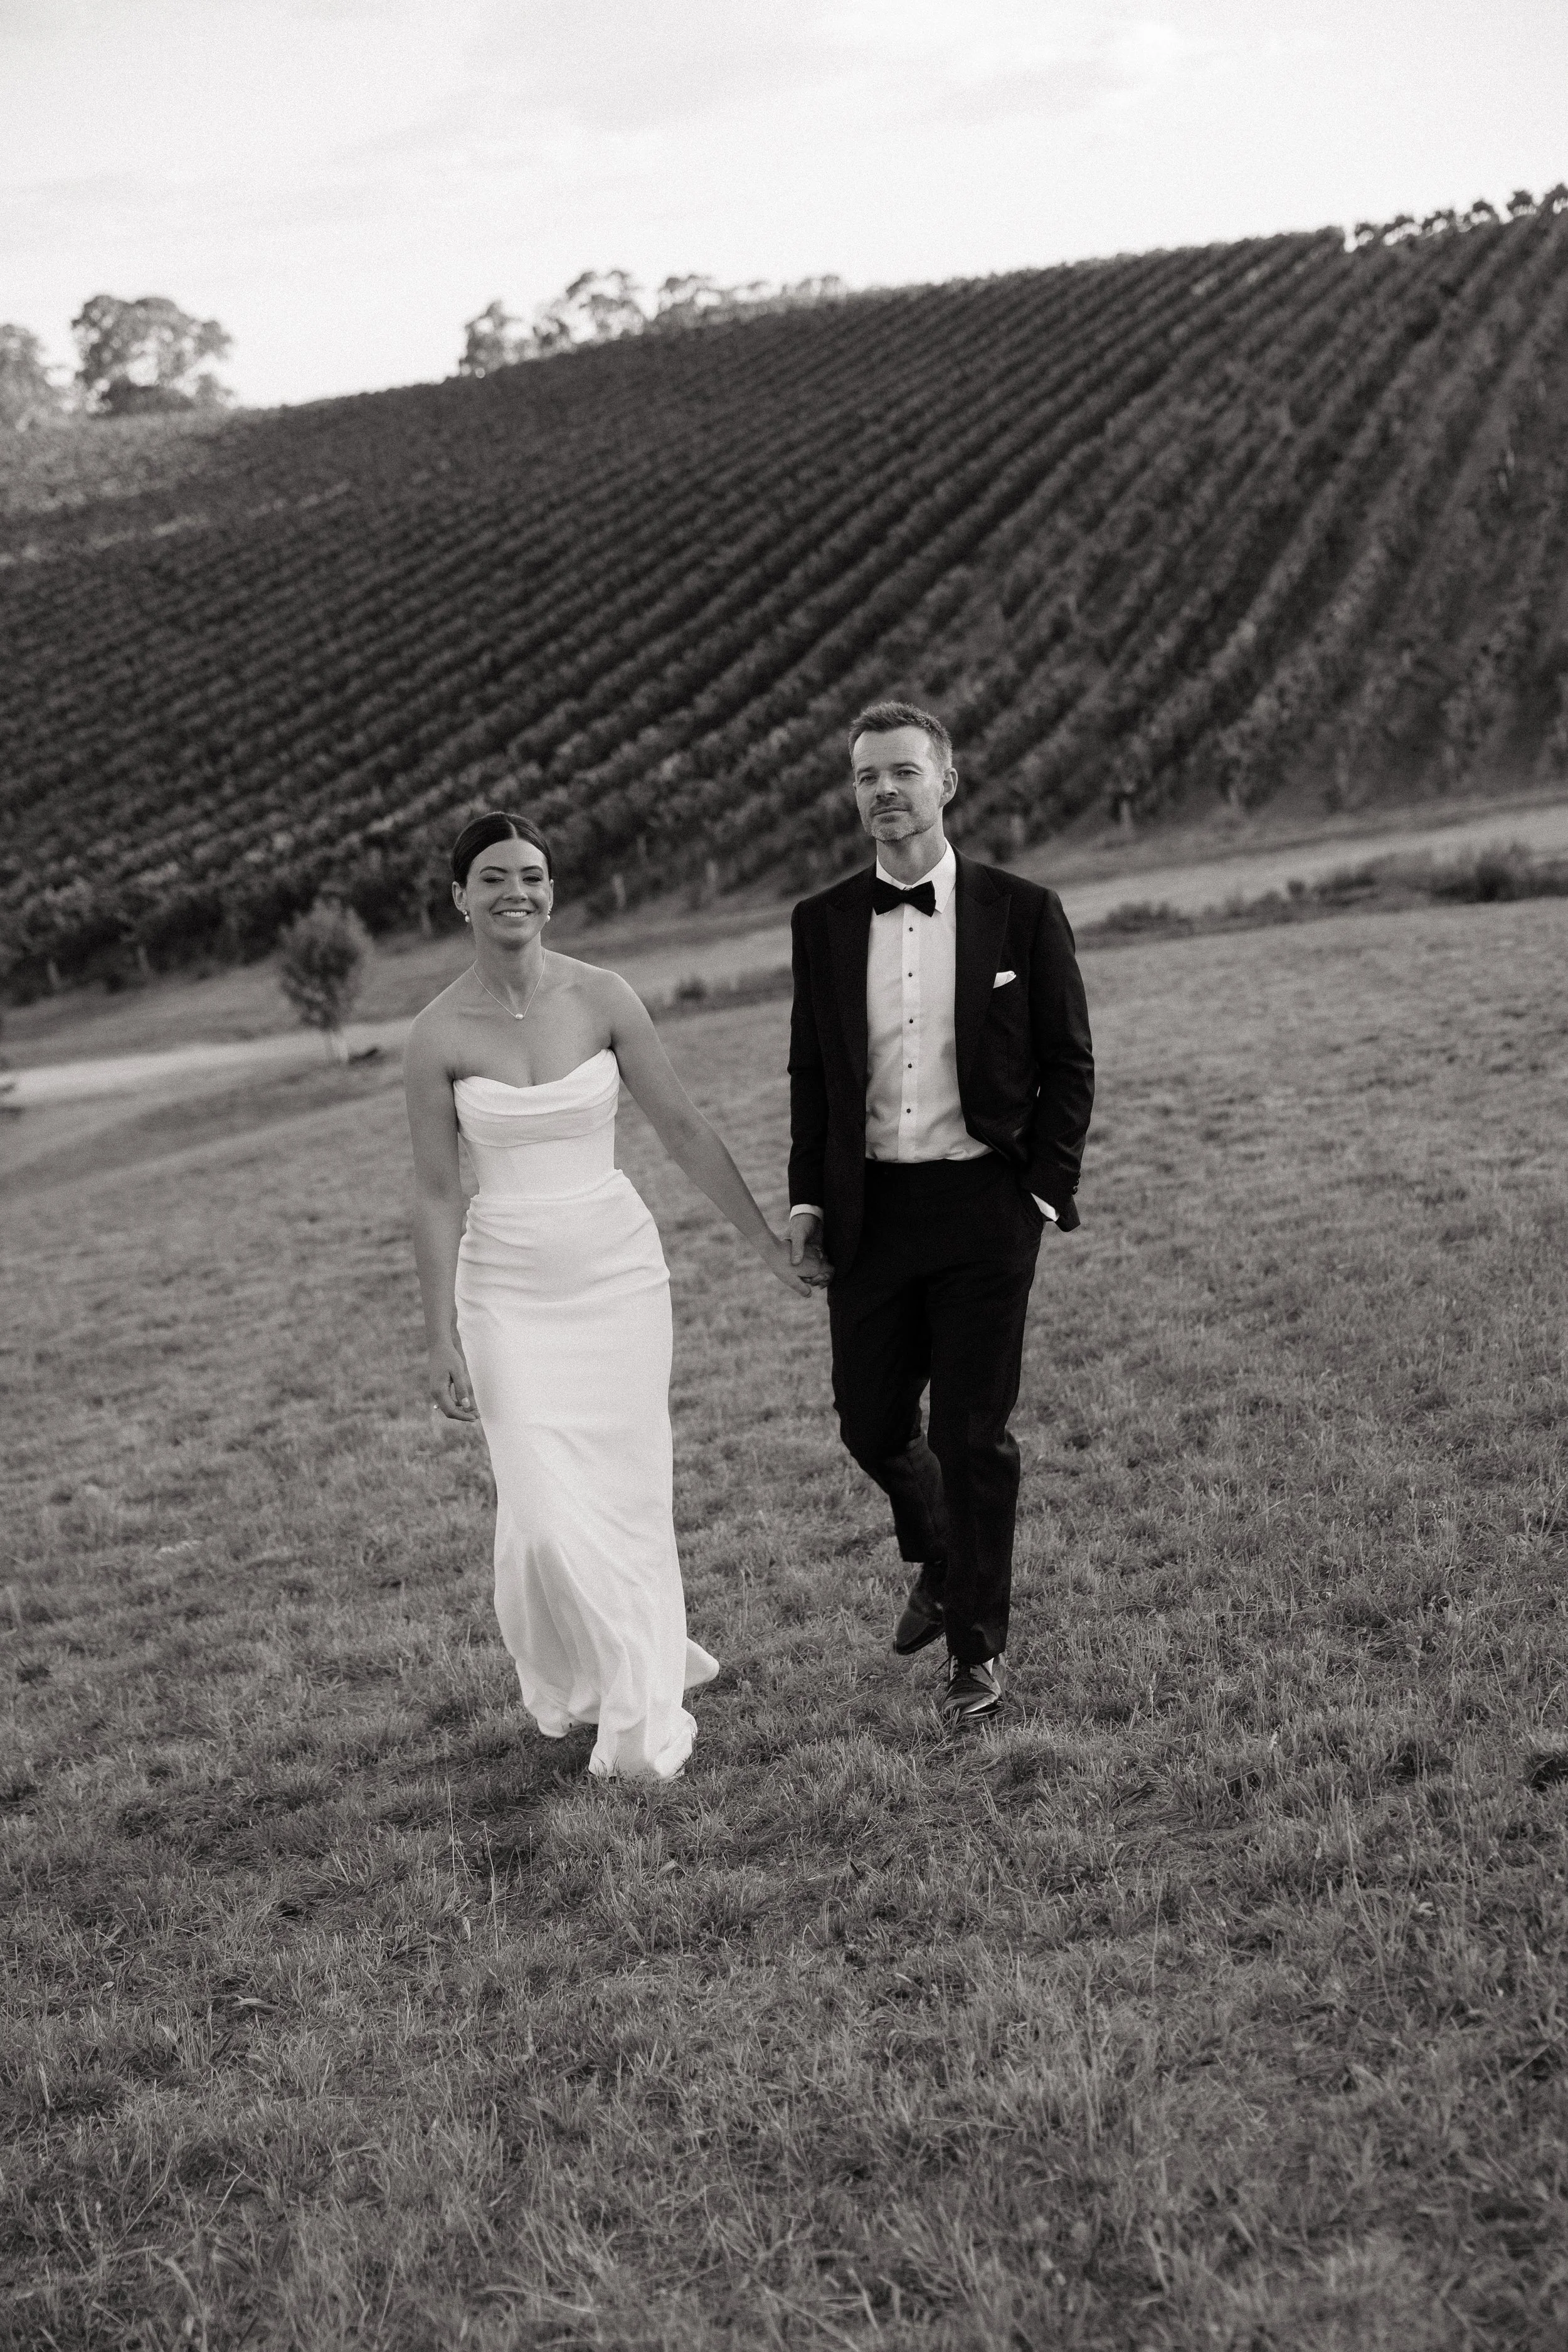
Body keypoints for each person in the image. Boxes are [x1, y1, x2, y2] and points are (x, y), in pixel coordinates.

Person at [405, 811, 811, 1782]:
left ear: (553, 890)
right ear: (460, 896)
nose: (518, 892)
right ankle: (600, 1672)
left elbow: (681, 1127)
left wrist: (763, 1243)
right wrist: (437, 1335)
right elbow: (432, 1192)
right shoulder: (435, 1032)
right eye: (495, 877)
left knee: (629, 1500)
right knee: (542, 1520)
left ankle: (636, 1705)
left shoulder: (605, 995)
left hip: (617, 1275)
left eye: (534, 875)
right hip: (503, 1288)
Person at [786, 702, 1094, 1724]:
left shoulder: (1024, 909)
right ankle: (943, 1549)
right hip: (871, 1206)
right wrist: (805, 1196)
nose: (885, 790)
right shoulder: (822, 921)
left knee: (972, 1435)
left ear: (946, 783)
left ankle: (975, 1654)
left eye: (904, 771)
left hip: (982, 1206)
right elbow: (813, 1073)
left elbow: (1068, 1061)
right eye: (867, 775)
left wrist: (1042, 1192)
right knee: (869, 1421)